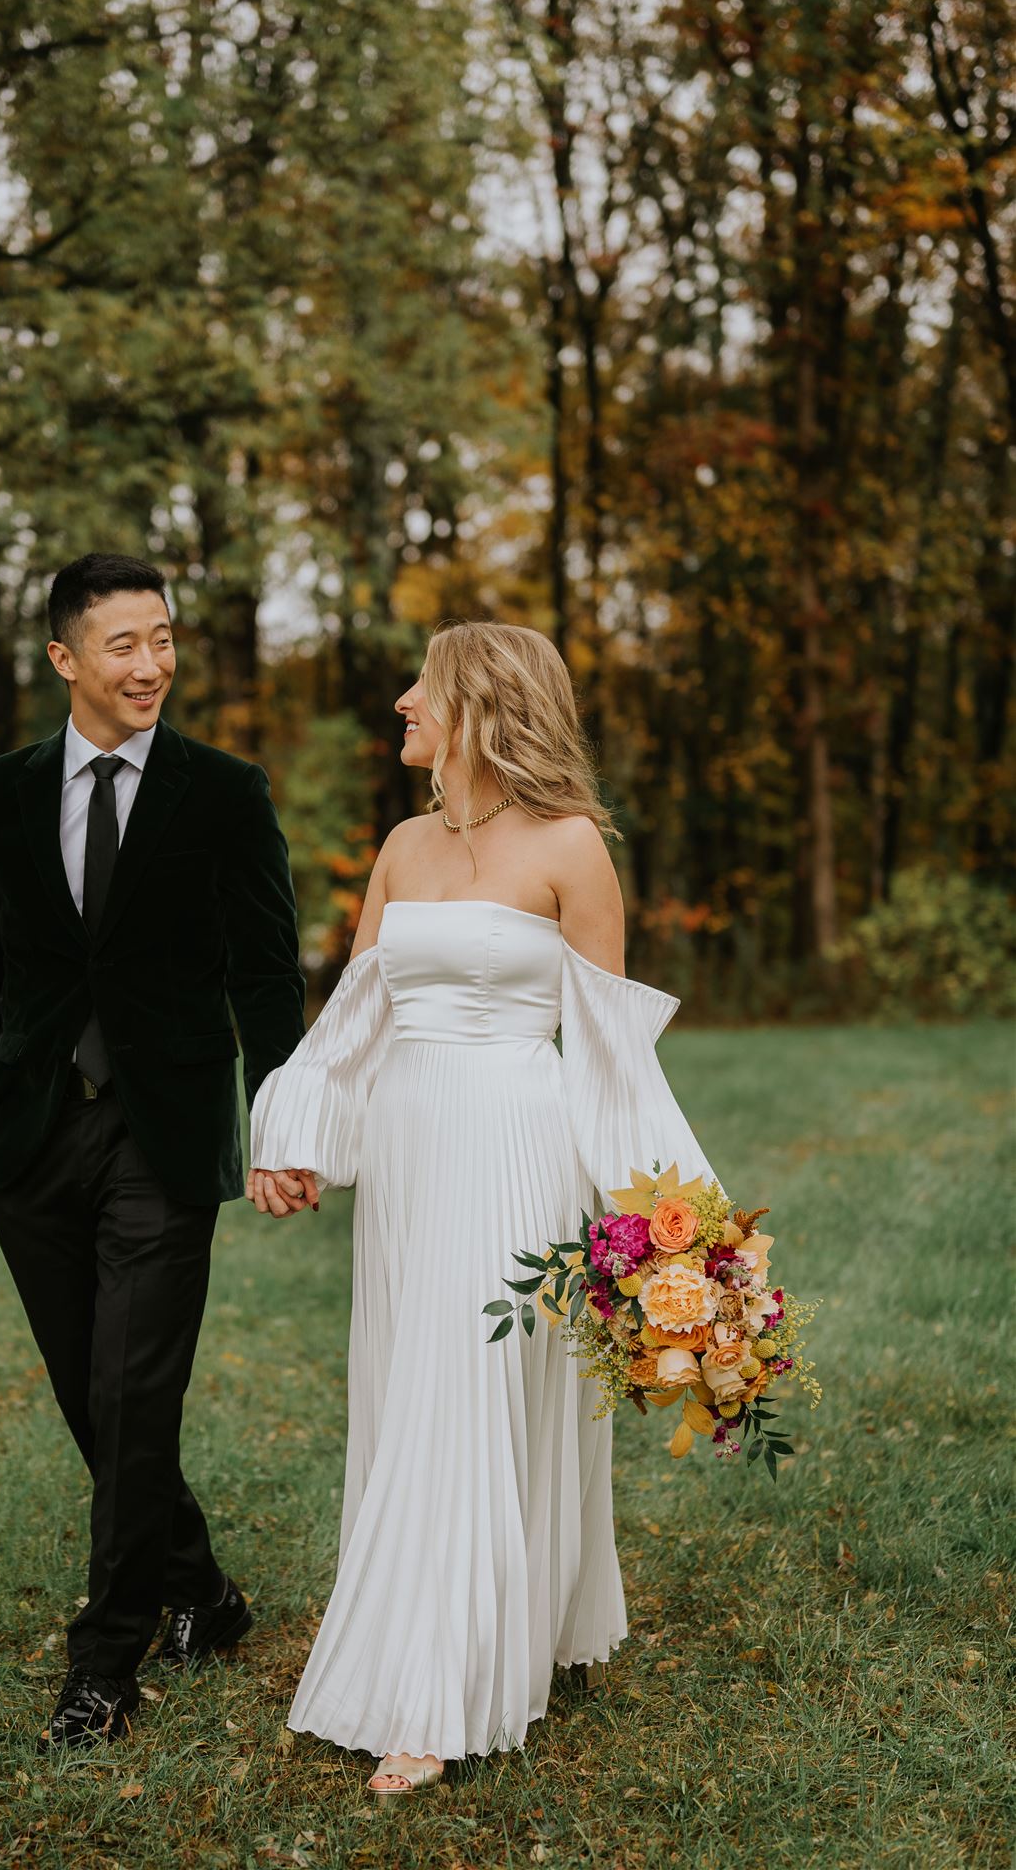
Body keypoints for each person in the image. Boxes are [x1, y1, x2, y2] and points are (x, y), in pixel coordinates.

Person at [246, 619, 720, 1793]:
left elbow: (613, 1057)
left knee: (473, 1388)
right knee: (413, 1386)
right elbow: (358, 1013)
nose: (403, 701)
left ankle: (437, 1694)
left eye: (424, 687)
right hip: (410, 1153)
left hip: (517, 1141)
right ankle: (447, 1630)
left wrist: (679, 1233)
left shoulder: (572, 846)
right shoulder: (404, 846)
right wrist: (295, 1133)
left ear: (481, 706)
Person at [0, 552, 307, 1749]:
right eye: (122, 644)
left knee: (134, 1391)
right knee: (92, 1400)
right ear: (62, 659)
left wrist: (280, 1119)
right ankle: (205, 1592)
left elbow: (264, 973)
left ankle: (107, 1661)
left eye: (164, 639)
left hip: (167, 1130)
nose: (150, 664)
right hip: (32, 1135)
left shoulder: (225, 793)